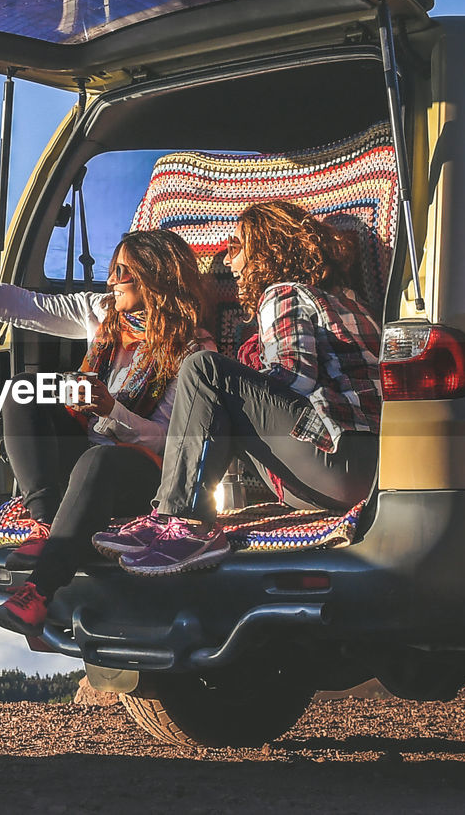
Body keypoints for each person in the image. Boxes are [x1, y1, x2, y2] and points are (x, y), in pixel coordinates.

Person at [0, 229, 214, 635]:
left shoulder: (193, 351)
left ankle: (39, 591)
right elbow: (24, 305)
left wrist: (112, 411)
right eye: (111, 269)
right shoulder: (102, 313)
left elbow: (171, 441)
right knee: (22, 391)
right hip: (88, 451)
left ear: (151, 276)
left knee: (99, 459)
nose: (110, 280)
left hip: (143, 470)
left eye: (121, 271)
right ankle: (47, 521)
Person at [94, 200, 382, 576]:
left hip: (340, 458)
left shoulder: (284, 294)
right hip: (341, 475)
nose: (229, 263)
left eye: (235, 247)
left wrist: (232, 387)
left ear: (267, 247)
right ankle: (170, 519)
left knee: (204, 369)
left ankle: (185, 522)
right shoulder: (345, 300)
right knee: (213, 384)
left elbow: (294, 380)